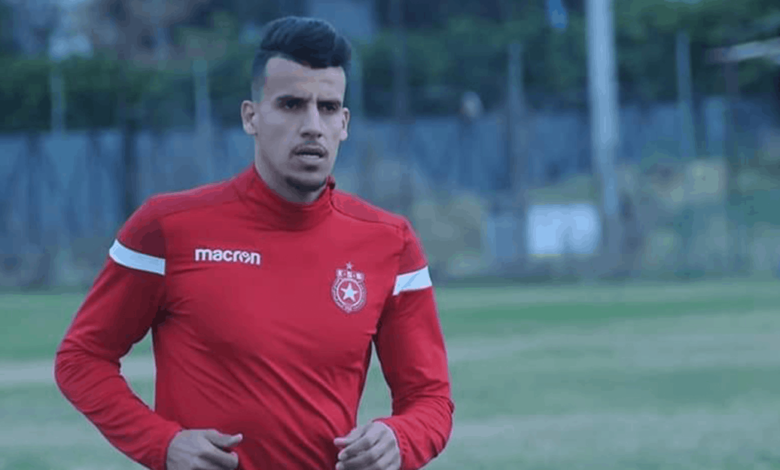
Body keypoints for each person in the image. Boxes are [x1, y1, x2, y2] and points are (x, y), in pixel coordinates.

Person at [54, 15, 454, 470]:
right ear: (251, 117)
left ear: (344, 123)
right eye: (291, 104)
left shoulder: (390, 242)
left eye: (327, 108)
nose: (312, 125)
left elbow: (430, 399)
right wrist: (162, 444)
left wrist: (400, 439)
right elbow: (81, 358)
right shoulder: (166, 227)